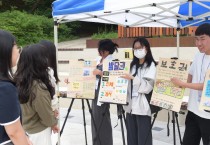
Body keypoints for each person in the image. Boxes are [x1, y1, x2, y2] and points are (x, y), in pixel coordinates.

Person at [171, 23, 210, 145]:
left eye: (202, 39)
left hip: (207, 115)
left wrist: (182, 83)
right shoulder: (198, 54)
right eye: (196, 39)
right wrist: (175, 87)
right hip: (193, 110)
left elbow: (206, 85)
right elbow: (190, 75)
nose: (198, 43)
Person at [14, 44, 59, 145]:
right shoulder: (38, 86)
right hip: (39, 132)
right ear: (39, 61)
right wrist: (53, 121)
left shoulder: (19, 80)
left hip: (25, 129)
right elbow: (46, 115)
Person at [122, 37, 157, 145]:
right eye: (135, 48)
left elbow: (147, 87)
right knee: (131, 139)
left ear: (146, 48)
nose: (137, 50)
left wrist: (133, 78)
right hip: (130, 107)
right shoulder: (132, 66)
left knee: (143, 139)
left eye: (140, 48)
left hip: (143, 108)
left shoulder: (152, 66)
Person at [0, 30, 31, 145]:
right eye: (16, 46)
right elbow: (14, 132)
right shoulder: (4, 88)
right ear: (5, 51)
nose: (18, 50)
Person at [91, 39, 118, 145]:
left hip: (104, 94)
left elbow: (114, 79)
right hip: (95, 93)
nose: (99, 52)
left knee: (103, 120)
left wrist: (101, 73)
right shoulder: (99, 60)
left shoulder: (113, 62)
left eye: (101, 50)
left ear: (106, 51)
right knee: (95, 121)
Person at [39, 40, 59, 117]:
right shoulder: (48, 71)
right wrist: (54, 109)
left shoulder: (35, 69)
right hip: (47, 113)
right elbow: (52, 94)